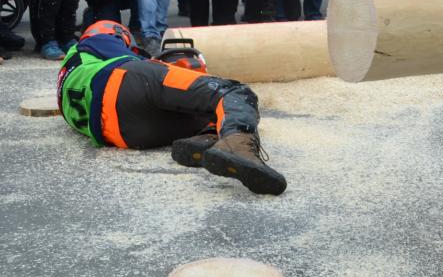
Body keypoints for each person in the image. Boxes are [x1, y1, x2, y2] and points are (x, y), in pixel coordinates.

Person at [57, 20, 286, 195]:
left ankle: (207, 138)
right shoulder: (95, 41)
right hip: (127, 82)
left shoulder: (68, 79)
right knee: (234, 93)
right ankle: (237, 143)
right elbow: (141, 64)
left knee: (207, 107)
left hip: (125, 133)